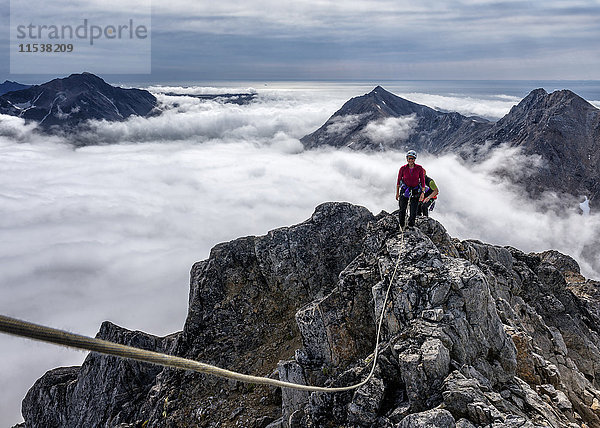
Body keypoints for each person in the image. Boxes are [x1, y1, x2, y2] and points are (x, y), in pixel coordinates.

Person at [396, 150, 425, 228]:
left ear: (414, 159)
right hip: (405, 189)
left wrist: (422, 192)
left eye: (412, 158)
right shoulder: (403, 168)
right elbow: (398, 181)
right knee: (402, 209)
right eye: (409, 158)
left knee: (413, 210)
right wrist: (397, 193)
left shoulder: (419, 168)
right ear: (407, 159)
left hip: (415, 190)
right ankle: (401, 225)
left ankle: (411, 225)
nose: (411, 160)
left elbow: (422, 180)